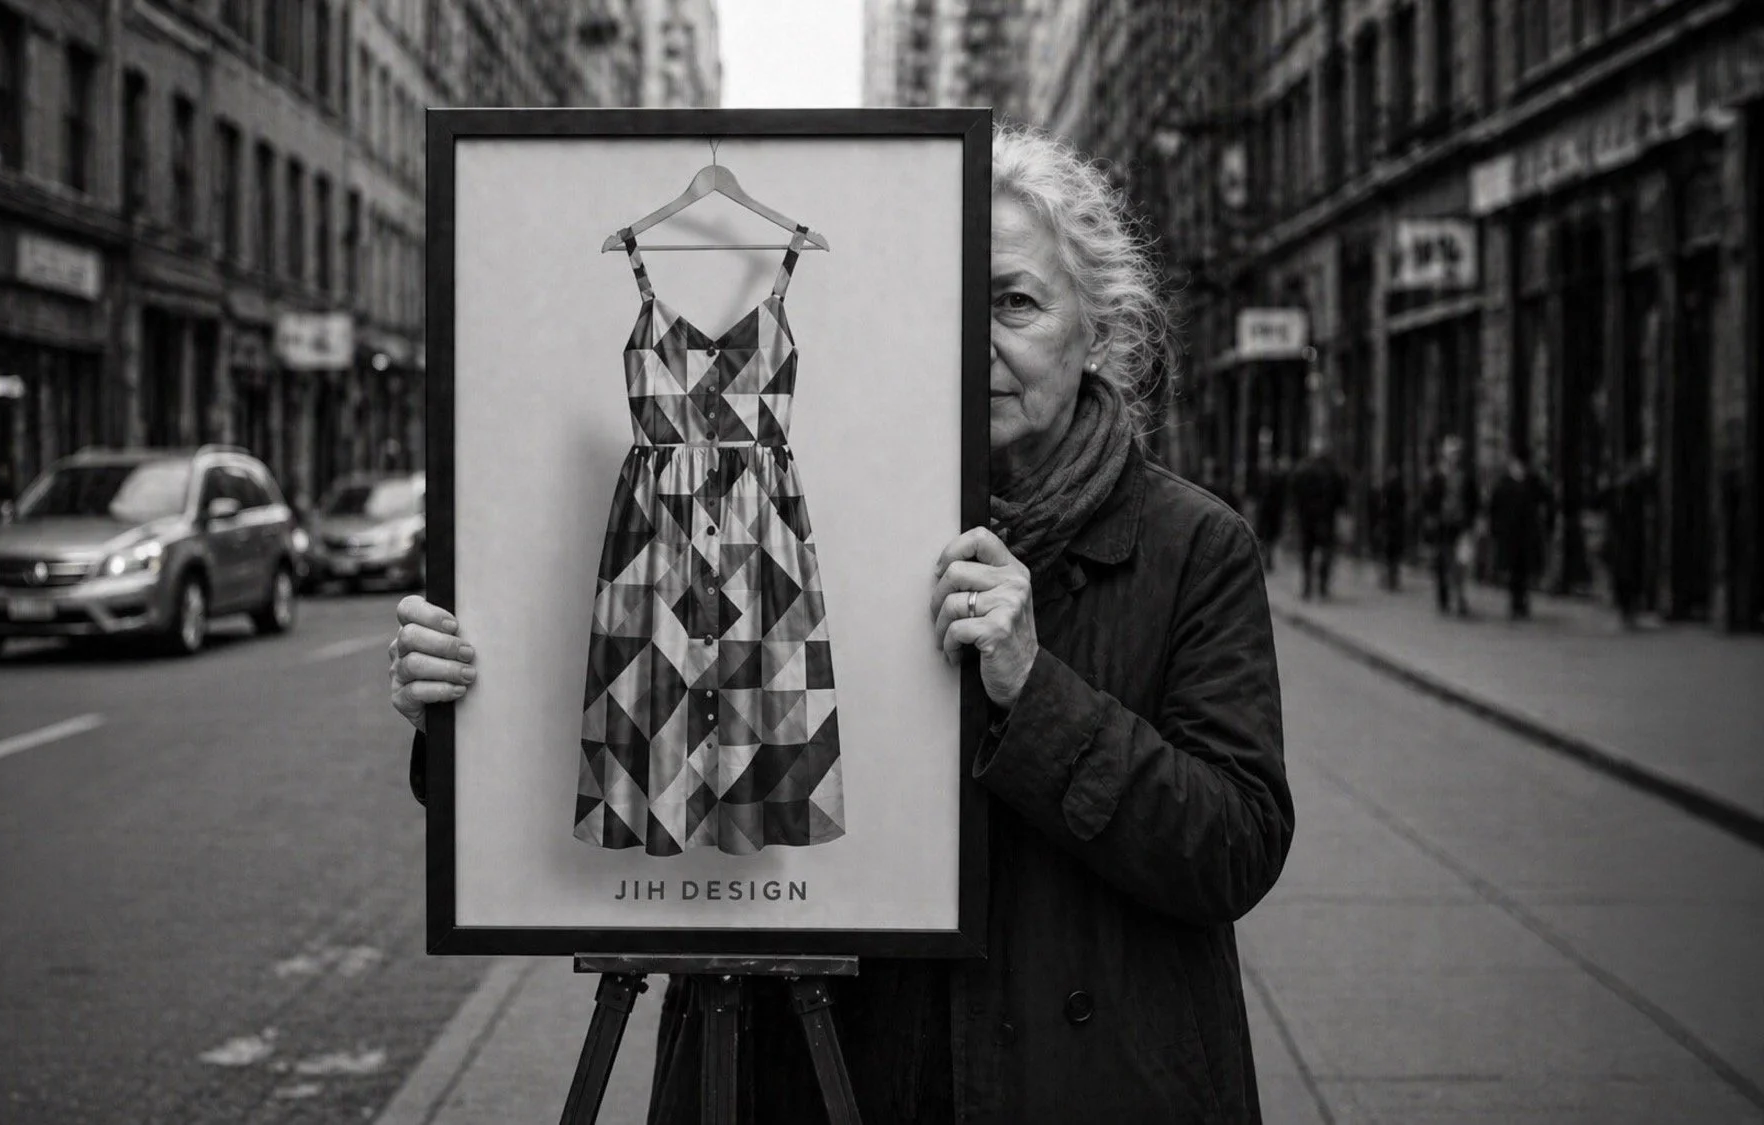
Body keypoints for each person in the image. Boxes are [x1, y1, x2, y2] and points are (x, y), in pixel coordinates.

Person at [388, 124, 1294, 1122]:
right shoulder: (847, 504)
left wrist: (1034, 689)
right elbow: (601, 770)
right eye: (949, 304)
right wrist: (461, 708)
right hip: (800, 1068)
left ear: (1099, 328)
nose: (975, 342)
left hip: (1075, 1081)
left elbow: (1233, 846)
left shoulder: (1187, 546)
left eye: (1016, 303)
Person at [1422, 435, 1480, 616]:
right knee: (1443, 563)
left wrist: (1473, 522)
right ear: (1445, 455)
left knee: (1461, 564)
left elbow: (1473, 500)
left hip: (1460, 527)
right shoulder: (1437, 476)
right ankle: (1445, 597)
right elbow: (1429, 501)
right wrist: (1431, 518)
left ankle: (1460, 598)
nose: (1455, 457)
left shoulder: (1465, 477)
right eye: (1452, 453)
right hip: (1443, 526)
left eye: (1457, 453)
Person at [1488, 454, 1551, 620]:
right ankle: (1516, 602)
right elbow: (1494, 509)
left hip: (1526, 535)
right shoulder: (1503, 485)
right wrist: (1495, 530)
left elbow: (1546, 498)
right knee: (1514, 571)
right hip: (1510, 536)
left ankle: (1522, 602)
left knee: (1523, 570)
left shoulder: (1531, 483)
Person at [1288, 436, 1347, 600]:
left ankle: (1307, 586)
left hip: (1307, 518)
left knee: (1307, 551)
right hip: (1326, 518)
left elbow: (1294, 495)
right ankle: (1322, 585)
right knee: (1326, 551)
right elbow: (1341, 497)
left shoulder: (1303, 470)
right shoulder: (1333, 471)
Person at [1605, 451, 1653, 628]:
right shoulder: (1625, 491)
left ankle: (1628, 611)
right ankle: (1628, 611)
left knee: (1629, 576)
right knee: (1628, 577)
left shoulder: (1628, 490)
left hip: (1628, 541)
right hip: (1626, 542)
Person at [1251, 438, 1286, 574]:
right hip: (1263, 511)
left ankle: (1268, 559)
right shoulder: (1259, 474)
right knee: (1263, 535)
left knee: (1270, 536)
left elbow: (1281, 494)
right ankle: (1265, 559)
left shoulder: (1277, 476)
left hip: (1272, 511)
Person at [1376, 464, 1408, 591]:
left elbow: (1383, 508)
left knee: (1389, 553)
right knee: (1394, 554)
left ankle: (1390, 578)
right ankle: (1392, 578)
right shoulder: (1399, 489)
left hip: (1390, 525)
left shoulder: (1387, 489)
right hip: (1396, 525)